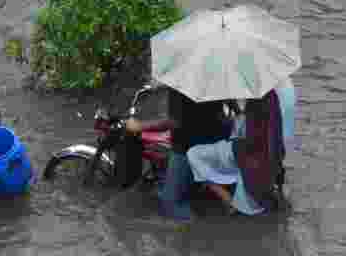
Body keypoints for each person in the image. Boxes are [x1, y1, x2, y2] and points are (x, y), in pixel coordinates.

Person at [187, 79, 294, 215]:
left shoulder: (257, 101)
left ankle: (226, 198)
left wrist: (236, 127)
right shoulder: (272, 96)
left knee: (193, 154)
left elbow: (250, 138)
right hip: (269, 156)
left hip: (249, 153)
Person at [124, 87, 233, 221]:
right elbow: (226, 112)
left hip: (187, 146)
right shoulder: (215, 80)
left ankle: (196, 231)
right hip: (216, 139)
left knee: (170, 205)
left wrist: (139, 126)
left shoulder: (181, 86)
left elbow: (173, 122)